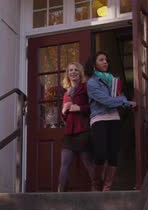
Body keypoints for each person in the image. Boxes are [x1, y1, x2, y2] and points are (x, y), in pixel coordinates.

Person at [86, 51, 136, 191]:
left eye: (106, 60)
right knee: (101, 153)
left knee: (113, 154)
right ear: (94, 64)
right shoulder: (92, 83)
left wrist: (123, 100)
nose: (105, 62)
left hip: (114, 118)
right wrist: (124, 102)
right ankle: (96, 183)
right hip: (99, 119)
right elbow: (107, 101)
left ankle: (107, 187)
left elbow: (120, 95)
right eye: (101, 60)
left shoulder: (113, 80)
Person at [58, 62, 94, 192]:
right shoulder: (67, 93)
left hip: (83, 131)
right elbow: (66, 118)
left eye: (76, 70)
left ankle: (99, 192)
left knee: (88, 163)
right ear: (67, 74)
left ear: (80, 73)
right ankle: (59, 194)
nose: (73, 72)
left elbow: (94, 107)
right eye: (70, 70)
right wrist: (63, 112)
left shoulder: (86, 88)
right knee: (65, 163)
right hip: (70, 133)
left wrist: (79, 108)